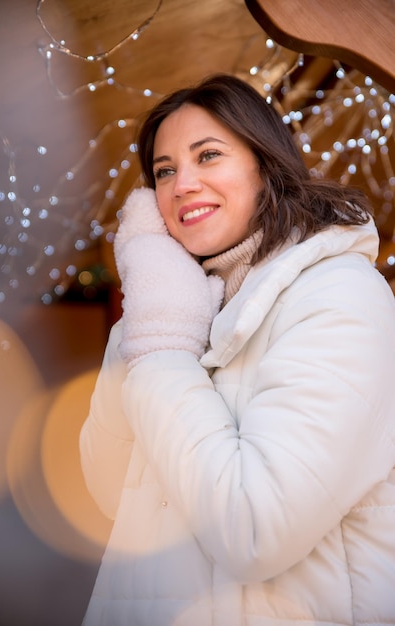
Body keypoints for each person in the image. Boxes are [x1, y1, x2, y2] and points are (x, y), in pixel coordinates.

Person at [80, 74, 395, 625]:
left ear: (264, 163)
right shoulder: (171, 310)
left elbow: (257, 531)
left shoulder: (338, 294)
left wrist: (160, 350)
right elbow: (110, 497)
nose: (181, 185)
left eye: (208, 155)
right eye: (165, 170)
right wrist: (148, 321)